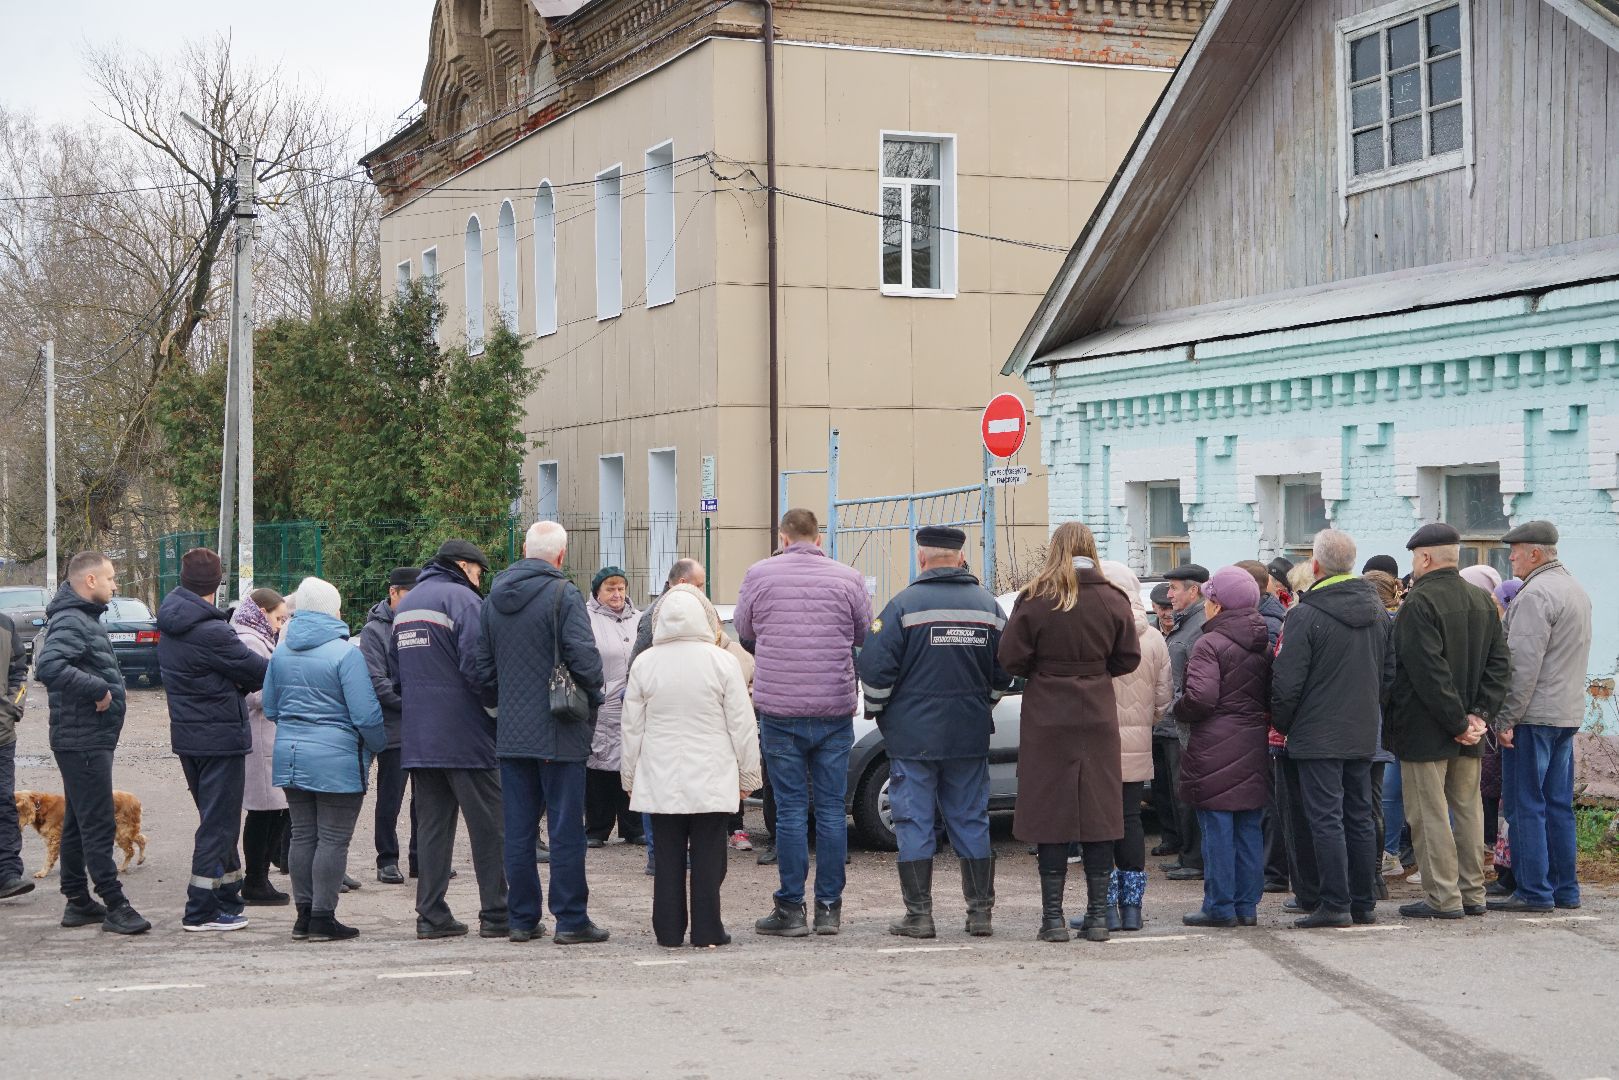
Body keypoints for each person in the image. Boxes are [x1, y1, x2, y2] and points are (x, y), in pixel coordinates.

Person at [858, 526, 1012, 939]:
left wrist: (881, 712)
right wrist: (984, 704)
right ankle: (980, 914)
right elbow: (1005, 671)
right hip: (969, 735)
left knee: (913, 821)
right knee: (970, 819)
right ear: (961, 559)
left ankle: (919, 916)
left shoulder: (903, 606)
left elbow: (874, 669)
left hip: (913, 740)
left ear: (921, 558)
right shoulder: (989, 608)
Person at [999, 522, 1140, 942]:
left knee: (1050, 814)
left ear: (1055, 550)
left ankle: (1053, 919)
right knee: (1099, 813)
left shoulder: (1037, 599)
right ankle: (1098, 918)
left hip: (1047, 714)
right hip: (1096, 711)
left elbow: (1010, 657)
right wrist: (1093, 673)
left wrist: (1045, 672)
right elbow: (1128, 657)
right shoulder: (1113, 600)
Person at [735, 508, 871, 938]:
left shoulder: (759, 573)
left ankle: (791, 909)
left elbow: (744, 629)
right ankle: (829, 907)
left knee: (791, 810)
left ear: (782, 536)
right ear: (818, 537)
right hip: (833, 707)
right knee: (831, 810)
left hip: (780, 709)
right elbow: (863, 633)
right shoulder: (848, 578)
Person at [474, 522, 609, 944]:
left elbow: (480, 668)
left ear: (524, 550)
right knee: (566, 829)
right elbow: (584, 658)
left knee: (518, 831)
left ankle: (521, 918)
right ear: (561, 555)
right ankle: (570, 920)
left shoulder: (493, 597)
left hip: (512, 733)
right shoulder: (562, 594)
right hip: (560, 729)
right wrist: (595, 693)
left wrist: (506, 702)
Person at [622, 586, 762, 947]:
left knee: (666, 858)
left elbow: (631, 727)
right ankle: (707, 929)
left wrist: (629, 777)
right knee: (709, 858)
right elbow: (742, 725)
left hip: (660, 775)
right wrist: (748, 775)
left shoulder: (645, 662)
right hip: (713, 775)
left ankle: (668, 931)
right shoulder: (722, 661)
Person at [1385, 524, 1511, 919]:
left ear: (1424, 558)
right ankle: (1472, 893)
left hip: (1427, 728)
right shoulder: (1480, 599)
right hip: (1469, 726)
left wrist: (1458, 720)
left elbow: (1427, 672)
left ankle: (1443, 897)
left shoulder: (1418, 603)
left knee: (1430, 813)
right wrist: (1479, 716)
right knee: (1468, 808)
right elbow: (1499, 665)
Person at [1270, 530, 1391, 928]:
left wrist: (1282, 725)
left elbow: (1287, 682)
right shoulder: (1377, 611)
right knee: (1357, 815)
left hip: (1316, 734)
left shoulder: (1305, 614)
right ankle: (1363, 902)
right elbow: (1389, 674)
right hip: (1361, 730)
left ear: (1316, 566)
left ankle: (1334, 903)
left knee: (1326, 819)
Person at [390, 539, 509, 940]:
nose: (479, 580)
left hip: (421, 738)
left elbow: (396, 674)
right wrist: (494, 710)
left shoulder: (406, 605)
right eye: (478, 572)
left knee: (433, 829)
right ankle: (496, 913)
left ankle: (431, 915)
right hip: (466, 736)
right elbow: (478, 665)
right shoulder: (462, 601)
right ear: (463, 566)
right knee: (490, 828)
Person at [264, 578, 387, 941]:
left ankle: (303, 917)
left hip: (290, 755)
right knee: (333, 839)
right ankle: (323, 917)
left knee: (303, 835)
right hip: (337, 759)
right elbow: (365, 715)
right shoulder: (346, 653)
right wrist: (378, 745)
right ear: (332, 611)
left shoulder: (281, 651)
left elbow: (270, 706)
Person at [34, 551, 149, 933]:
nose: (116, 585)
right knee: (98, 821)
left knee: (79, 823)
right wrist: (98, 687)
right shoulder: (72, 619)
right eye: (112, 578)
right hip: (82, 739)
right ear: (90, 582)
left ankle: (78, 902)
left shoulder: (81, 618)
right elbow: (48, 667)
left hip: (86, 736)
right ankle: (115, 904)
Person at [156, 548, 270, 933]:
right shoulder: (213, 631)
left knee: (215, 820)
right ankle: (200, 908)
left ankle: (227, 893)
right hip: (220, 737)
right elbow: (257, 671)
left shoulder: (174, 623)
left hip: (190, 736)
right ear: (218, 584)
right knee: (218, 826)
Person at [1491, 520, 1592, 914]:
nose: (1510, 556)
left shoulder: (1535, 594)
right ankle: (1565, 889)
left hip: (1534, 715)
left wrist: (1506, 718)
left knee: (1526, 804)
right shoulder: (1574, 588)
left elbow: (1521, 664)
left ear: (1535, 553)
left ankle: (1534, 891)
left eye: (1514, 549)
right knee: (1557, 804)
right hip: (1565, 712)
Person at [1072, 561, 1169, 934]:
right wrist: (1143, 722)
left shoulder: (1094, 629)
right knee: (1130, 821)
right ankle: (1133, 908)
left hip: (1095, 743)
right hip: (1137, 743)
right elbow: (1163, 700)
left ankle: (1103, 906)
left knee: (1096, 825)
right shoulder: (1155, 637)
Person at [1176, 565, 1271, 928]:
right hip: (1251, 742)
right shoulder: (1261, 643)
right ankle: (1247, 906)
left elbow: (1200, 698)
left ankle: (1219, 906)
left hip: (1214, 745)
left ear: (1219, 604)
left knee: (1216, 830)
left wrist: (1177, 706)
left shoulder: (1209, 643)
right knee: (1248, 828)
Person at [232, 588, 291, 906]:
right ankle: (255, 880)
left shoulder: (260, 637)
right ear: (261, 612)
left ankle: (260, 877)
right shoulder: (250, 640)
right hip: (260, 735)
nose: (281, 625)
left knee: (275, 811)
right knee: (263, 812)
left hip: (269, 734)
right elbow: (255, 694)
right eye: (278, 617)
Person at [360, 567, 418, 884]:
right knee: (390, 797)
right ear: (393, 592)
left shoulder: (424, 623)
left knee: (426, 798)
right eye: (409, 596)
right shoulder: (374, 631)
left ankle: (421, 859)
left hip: (424, 726)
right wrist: (417, 703)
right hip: (395, 727)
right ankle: (387, 859)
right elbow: (377, 684)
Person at [585, 566, 644, 848]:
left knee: (630, 761)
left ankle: (633, 827)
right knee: (599, 764)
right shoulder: (587, 618)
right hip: (601, 702)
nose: (617, 594)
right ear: (597, 592)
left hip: (633, 704)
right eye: (610, 588)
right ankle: (597, 828)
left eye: (621, 588)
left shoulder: (640, 619)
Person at [1159, 563, 1210, 881]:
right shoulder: (1185, 624)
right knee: (1180, 793)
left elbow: (1196, 682)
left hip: (1189, 726)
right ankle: (1187, 853)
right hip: (1174, 724)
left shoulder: (1201, 625)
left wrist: (1182, 710)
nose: (1169, 594)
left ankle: (1196, 858)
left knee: (1190, 793)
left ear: (1194, 591)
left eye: (1174, 588)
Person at [1364, 569, 1410, 880]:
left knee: (1385, 795)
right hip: (1395, 717)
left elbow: (1388, 674)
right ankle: (1389, 856)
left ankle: (1388, 855)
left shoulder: (1382, 623)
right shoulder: (1394, 620)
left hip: (1387, 720)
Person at [0, 604, 33, 900]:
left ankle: (8, 874)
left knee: (3, 803)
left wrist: (12, 709)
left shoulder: (5, 625)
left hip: (1, 735)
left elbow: (19, 672)